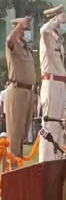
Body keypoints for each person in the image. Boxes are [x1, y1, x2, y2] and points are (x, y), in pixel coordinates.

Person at [39, 4, 66, 162]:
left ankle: (55, 161)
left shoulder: (58, 40)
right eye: (63, 20)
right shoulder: (47, 36)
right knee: (49, 125)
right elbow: (43, 30)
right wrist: (56, 19)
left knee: (59, 125)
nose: (65, 24)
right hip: (51, 84)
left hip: (60, 84)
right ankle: (45, 163)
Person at [5, 17, 36, 159]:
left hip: (28, 92)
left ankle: (19, 166)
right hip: (17, 91)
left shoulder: (27, 49)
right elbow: (9, 40)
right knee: (15, 134)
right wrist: (19, 27)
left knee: (23, 133)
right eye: (25, 29)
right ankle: (12, 171)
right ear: (18, 30)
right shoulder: (13, 45)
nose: (27, 33)